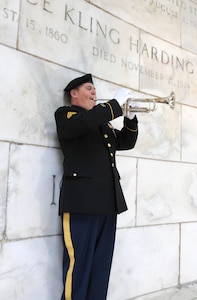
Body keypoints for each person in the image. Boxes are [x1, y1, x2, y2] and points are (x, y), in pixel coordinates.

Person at [54, 73, 138, 300]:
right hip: (82, 202)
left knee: (101, 268)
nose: (94, 93)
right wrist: (114, 105)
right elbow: (84, 123)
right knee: (78, 266)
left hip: (108, 203)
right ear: (74, 93)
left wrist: (130, 118)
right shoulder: (67, 115)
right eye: (89, 88)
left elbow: (126, 143)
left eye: (94, 90)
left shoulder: (101, 122)